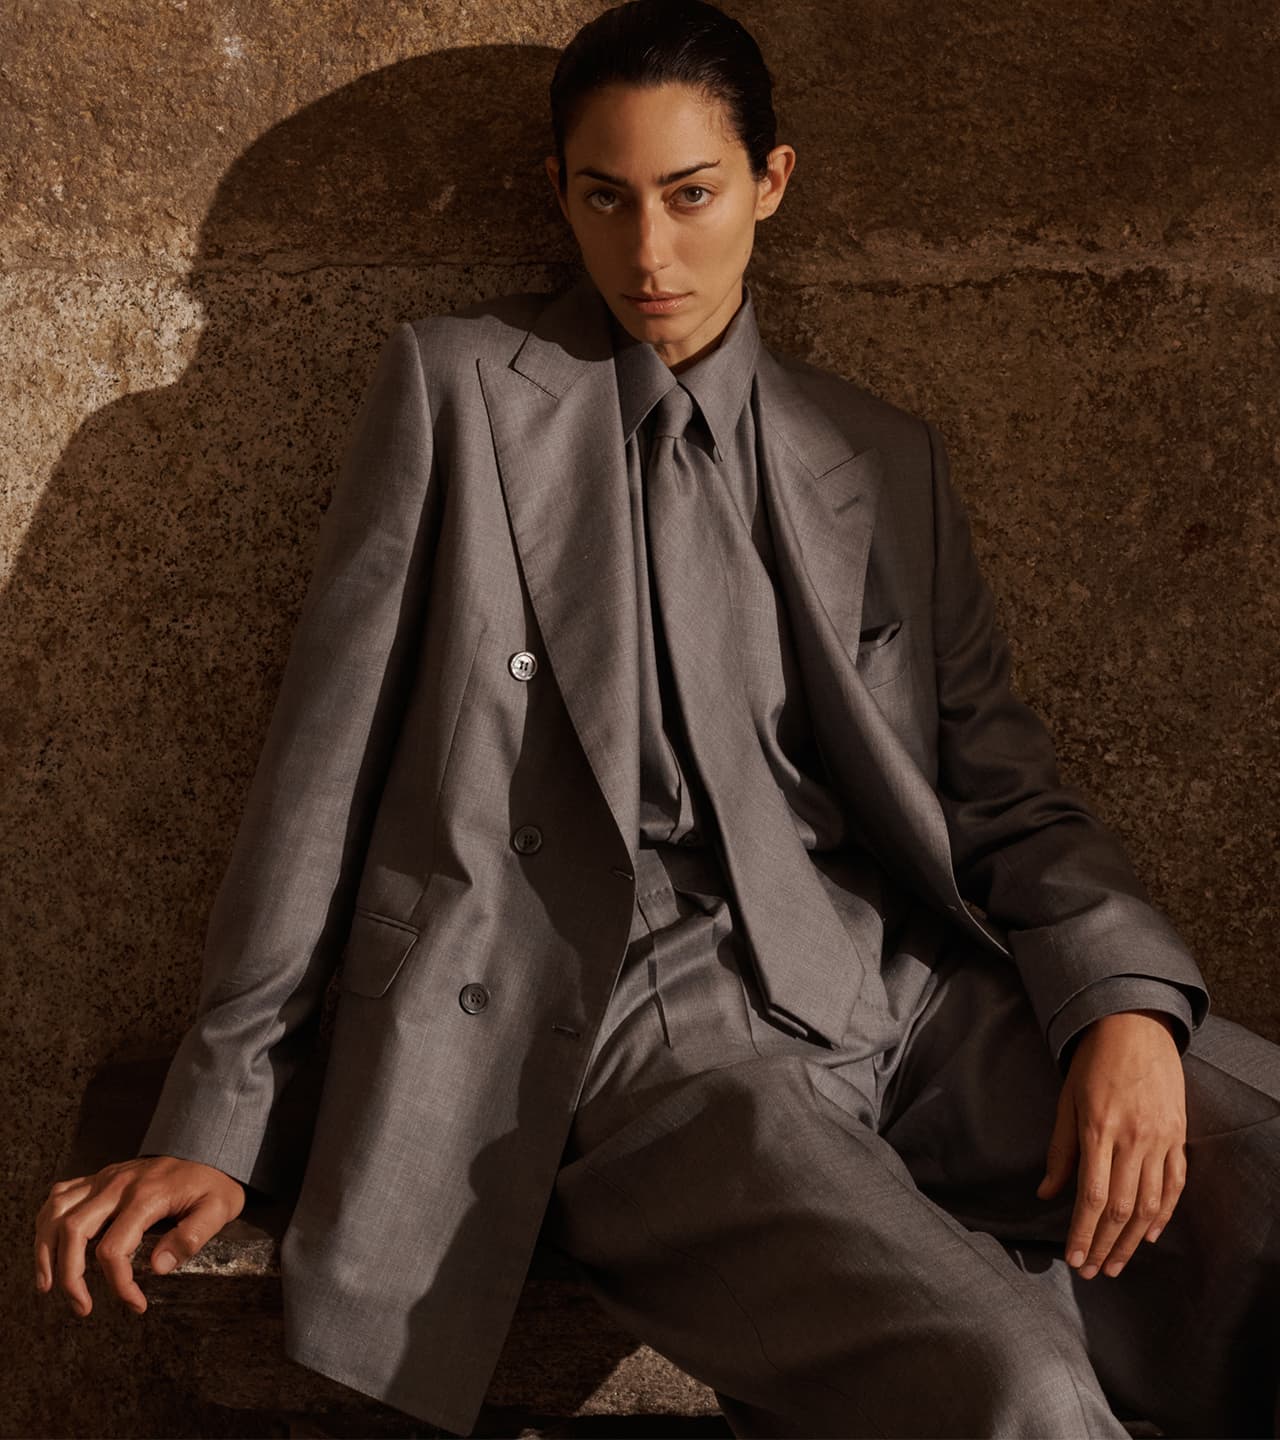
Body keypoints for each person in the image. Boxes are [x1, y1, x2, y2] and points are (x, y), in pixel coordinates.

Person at [34, 1, 1280, 1435]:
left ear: (770, 183)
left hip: (907, 987)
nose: (649, 254)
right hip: (639, 1026)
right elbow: (321, 777)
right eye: (606, 198)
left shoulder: (880, 459)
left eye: (691, 196)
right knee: (1015, 1379)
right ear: (557, 196)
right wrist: (219, 1117)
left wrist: (1122, 1002)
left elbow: (1003, 791)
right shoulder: (460, 394)